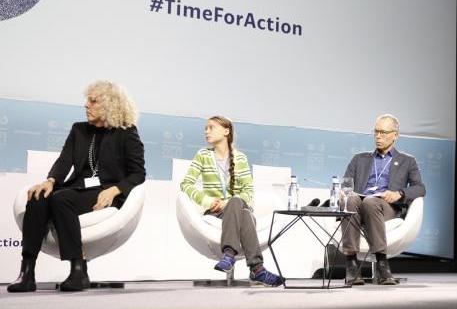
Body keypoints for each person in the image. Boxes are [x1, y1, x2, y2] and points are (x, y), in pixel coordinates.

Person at [8, 81, 146, 292]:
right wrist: (50, 181)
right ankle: (27, 273)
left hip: (106, 191)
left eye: (93, 101)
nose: (86, 106)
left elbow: (138, 173)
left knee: (61, 199)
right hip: (77, 188)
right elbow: (64, 161)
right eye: (87, 101)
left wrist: (115, 190)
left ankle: (78, 271)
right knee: (38, 197)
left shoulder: (126, 133)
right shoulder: (78, 130)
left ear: (110, 105)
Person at [180, 116, 284, 287]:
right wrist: (206, 200)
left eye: (211, 127)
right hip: (215, 211)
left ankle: (229, 254)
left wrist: (227, 202)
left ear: (226, 131)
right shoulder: (203, 155)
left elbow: (248, 192)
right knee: (243, 213)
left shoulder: (240, 158)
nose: (206, 131)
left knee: (237, 202)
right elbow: (186, 184)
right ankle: (258, 270)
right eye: (205, 128)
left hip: (237, 206)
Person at [341, 114, 426, 285]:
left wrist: (399, 193)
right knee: (351, 201)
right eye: (376, 132)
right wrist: (345, 193)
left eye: (384, 132)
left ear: (396, 135)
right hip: (360, 202)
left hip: (386, 206)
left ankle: (382, 263)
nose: (378, 136)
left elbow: (420, 188)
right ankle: (351, 264)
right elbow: (346, 185)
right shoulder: (359, 159)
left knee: (370, 202)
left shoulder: (407, 161)